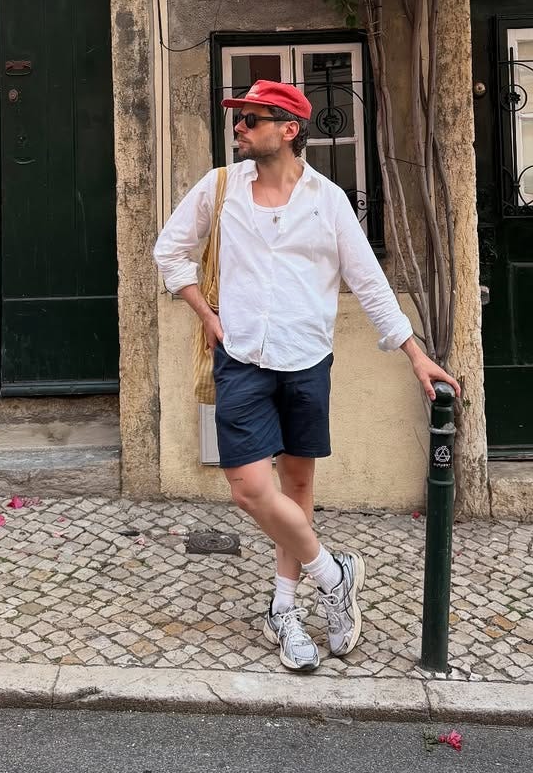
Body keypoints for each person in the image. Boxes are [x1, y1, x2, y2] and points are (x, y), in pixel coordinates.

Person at [153, 79, 460, 672]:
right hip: (241, 359)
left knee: (296, 490)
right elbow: (170, 252)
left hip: (307, 361)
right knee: (247, 488)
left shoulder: (328, 200)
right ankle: (333, 572)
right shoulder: (220, 188)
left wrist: (415, 353)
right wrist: (205, 312)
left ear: (288, 130)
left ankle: (286, 607)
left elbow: (369, 282)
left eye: (250, 120)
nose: (238, 129)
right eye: (238, 120)